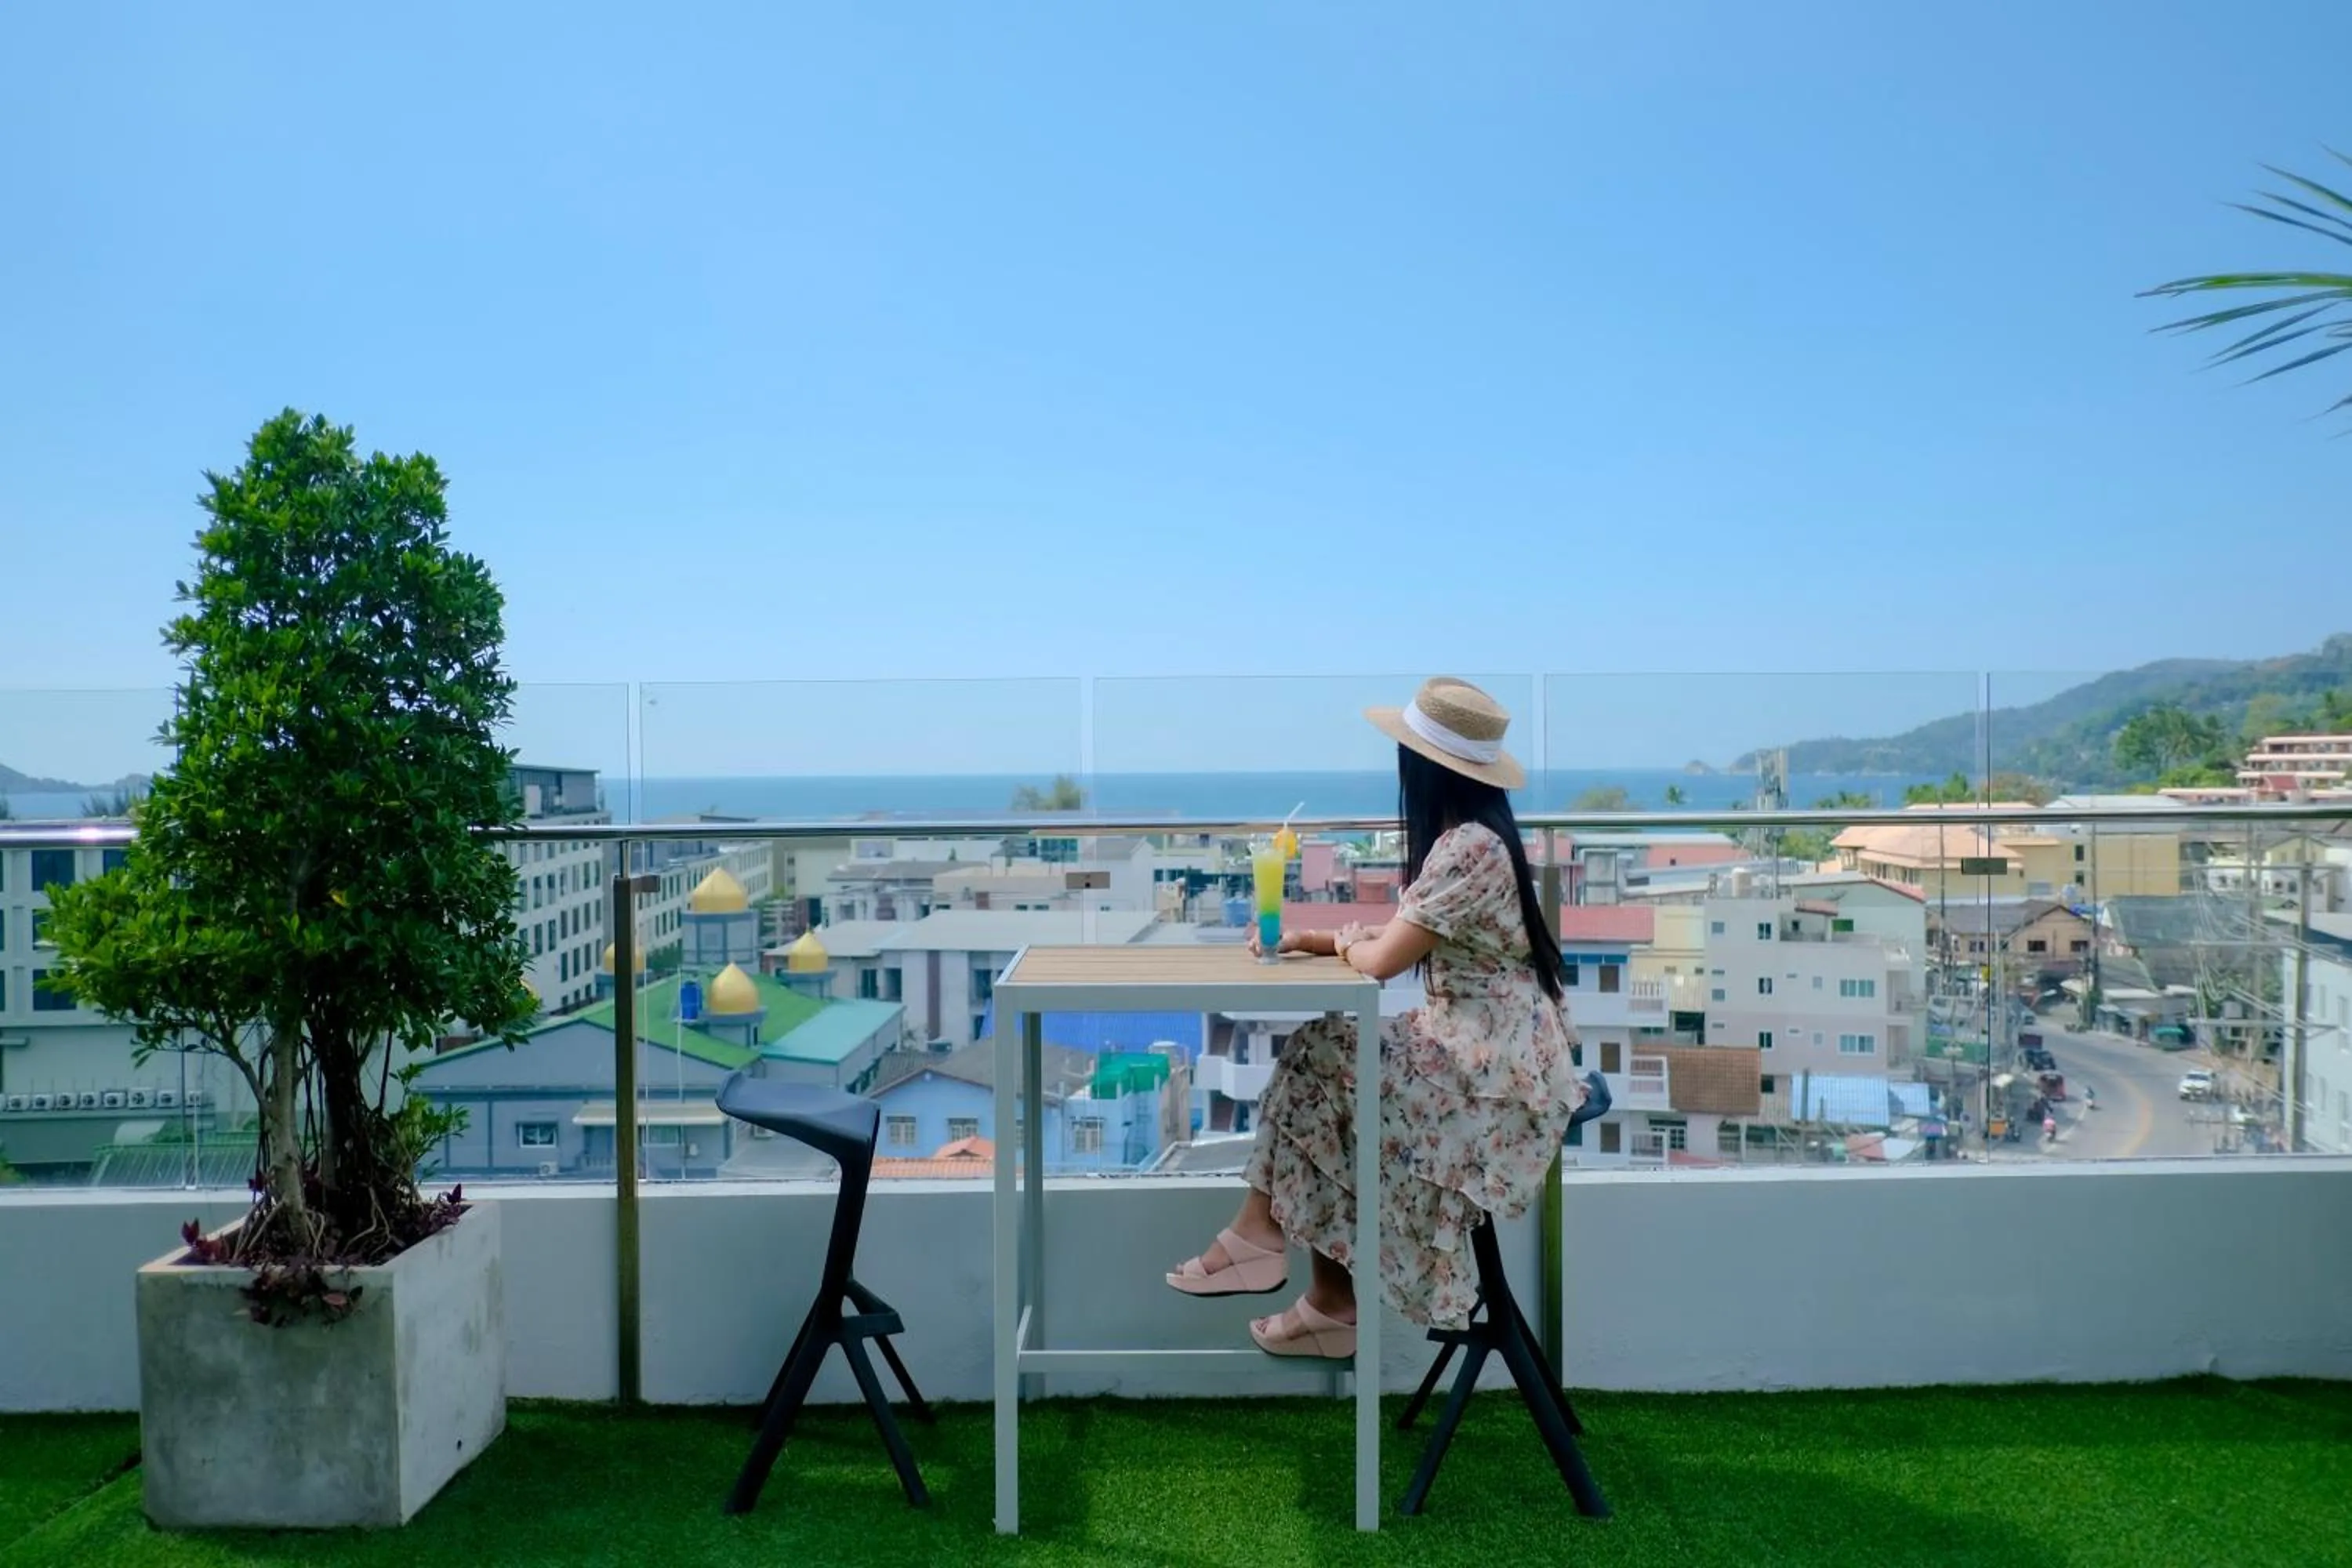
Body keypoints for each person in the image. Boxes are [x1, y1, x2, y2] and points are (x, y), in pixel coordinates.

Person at [1164, 677, 1587, 1359]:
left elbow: (1384, 959)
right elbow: (1392, 940)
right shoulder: (1475, 839)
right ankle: (1314, 1290)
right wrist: (1319, 940)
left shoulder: (1468, 848)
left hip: (1496, 1076)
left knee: (1323, 1055)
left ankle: (1274, 1252)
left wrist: (1336, 943)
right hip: (1491, 1050)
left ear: (1422, 766)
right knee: (1324, 1058)